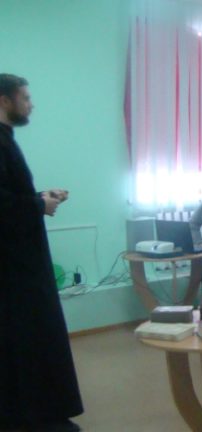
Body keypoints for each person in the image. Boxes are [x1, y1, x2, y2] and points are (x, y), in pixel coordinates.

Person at [0, 73, 83, 431]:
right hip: (13, 269)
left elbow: (12, 197)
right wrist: (39, 205)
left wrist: (40, 197)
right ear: (5, 100)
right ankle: (33, 417)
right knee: (27, 341)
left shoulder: (6, 138)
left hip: (22, 261)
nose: (31, 104)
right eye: (25, 98)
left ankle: (43, 411)